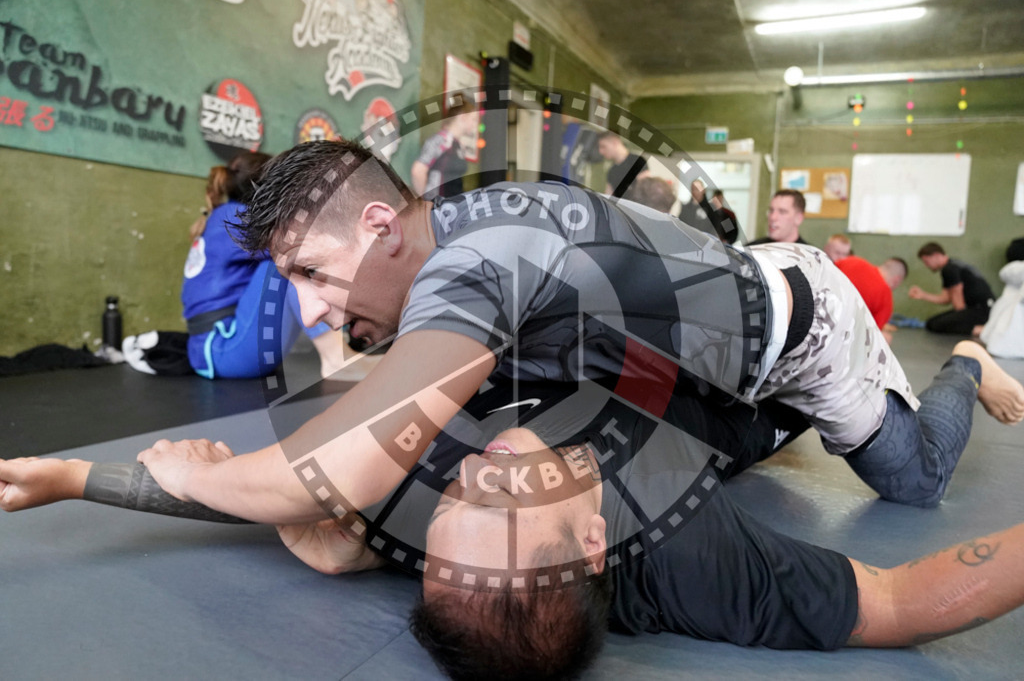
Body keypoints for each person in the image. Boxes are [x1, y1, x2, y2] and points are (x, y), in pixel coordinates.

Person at [119, 139, 1024, 549]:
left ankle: (962, 365)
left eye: (316, 274)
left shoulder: (474, 267)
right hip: (701, 342)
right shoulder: (444, 247)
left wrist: (192, 475)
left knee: (913, 480)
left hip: (805, 327)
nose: (315, 310)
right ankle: (775, 415)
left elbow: (345, 467)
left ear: (383, 225)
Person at [7, 379, 1024, 681]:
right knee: (915, 469)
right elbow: (902, 597)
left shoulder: (448, 500)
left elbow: (277, 492)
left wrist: (72, 477)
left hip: (611, 329)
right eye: (495, 504)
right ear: (591, 544)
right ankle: (965, 364)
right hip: (767, 377)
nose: (478, 479)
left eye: (453, 516)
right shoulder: (695, 562)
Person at [121, 153, 354, 380]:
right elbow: (301, 246)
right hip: (223, 349)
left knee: (285, 261)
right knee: (283, 264)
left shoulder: (223, 216)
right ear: (267, 189)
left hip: (220, 347)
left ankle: (343, 351)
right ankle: (336, 359)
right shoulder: (236, 219)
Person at [910, 242, 996, 336]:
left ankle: (982, 330)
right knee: (931, 323)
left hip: (982, 310)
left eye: (927, 261)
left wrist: (957, 319)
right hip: (981, 308)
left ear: (936, 256)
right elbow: (946, 299)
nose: (927, 265)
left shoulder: (949, 269)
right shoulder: (952, 265)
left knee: (937, 325)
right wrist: (923, 295)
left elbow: (959, 305)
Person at [410, 96, 477, 199]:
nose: (475, 125)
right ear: (463, 117)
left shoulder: (459, 146)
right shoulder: (441, 141)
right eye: (473, 119)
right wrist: (425, 203)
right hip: (438, 207)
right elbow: (418, 170)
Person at [835, 256, 908, 343]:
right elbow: (871, 334)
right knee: (886, 338)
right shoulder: (886, 297)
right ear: (897, 280)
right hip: (838, 335)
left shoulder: (853, 261)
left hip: (818, 316)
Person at [597, 131, 649, 198]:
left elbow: (645, 193)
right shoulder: (611, 171)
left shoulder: (638, 162)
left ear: (614, 143)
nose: (600, 151)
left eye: (603, 146)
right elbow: (607, 196)